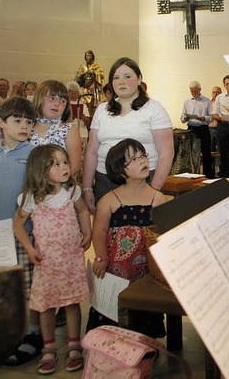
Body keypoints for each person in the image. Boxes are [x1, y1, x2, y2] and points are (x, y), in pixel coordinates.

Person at [13, 144, 91, 374]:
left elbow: (83, 211)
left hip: (70, 259)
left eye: (64, 162)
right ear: (41, 169)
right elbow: (18, 225)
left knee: (71, 303)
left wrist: (87, 232)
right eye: (56, 164)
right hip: (46, 262)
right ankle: (49, 348)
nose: (64, 167)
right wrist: (29, 249)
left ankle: (75, 345)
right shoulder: (32, 198)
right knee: (46, 305)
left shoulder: (72, 191)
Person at [87, 139, 168, 337]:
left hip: (146, 268)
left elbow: (163, 231)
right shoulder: (109, 200)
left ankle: (145, 343)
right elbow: (99, 231)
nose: (142, 161)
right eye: (133, 159)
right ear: (120, 170)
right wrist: (101, 257)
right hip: (116, 269)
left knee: (145, 305)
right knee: (115, 305)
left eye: (143, 156)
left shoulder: (157, 198)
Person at [0, 97, 39, 366]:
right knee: (8, 287)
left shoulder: (35, 154)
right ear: (1, 123)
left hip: (27, 231)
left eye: (28, 121)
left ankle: (33, 334)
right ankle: (11, 334)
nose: (24, 126)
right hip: (0, 231)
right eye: (17, 121)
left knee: (30, 287)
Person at [82, 57, 174, 213]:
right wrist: (87, 188)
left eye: (127, 76)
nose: (121, 82)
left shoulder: (154, 109)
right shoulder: (102, 110)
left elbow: (166, 153)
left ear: (139, 79)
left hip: (143, 181)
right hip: (105, 180)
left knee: (142, 233)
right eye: (116, 78)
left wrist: (153, 190)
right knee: (107, 230)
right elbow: (91, 151)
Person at [30, 80, 83, 177]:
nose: (57, 104)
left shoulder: (68, 130)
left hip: (59, 187)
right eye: (51, 98)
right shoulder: (28, 128)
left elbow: (74, 167)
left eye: (62, 101)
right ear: (39, 99)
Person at [180, 80, 214, 178]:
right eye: (192, 92)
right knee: (192, 153)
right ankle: (192, 174)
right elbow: (182, 118)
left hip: (203, 128)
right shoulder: (187, 101)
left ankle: (208, 176)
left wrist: (204, 118)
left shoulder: (206, 101)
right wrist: (185, 118)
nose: (194, 93)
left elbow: (211, 117)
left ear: (200, 89)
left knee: (206, 152)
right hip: (191, 128)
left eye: (195, 91)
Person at [209, 85, 221, 154]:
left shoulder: (222, 103)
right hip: (210, 129)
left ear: (221, 93)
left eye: (217, 92)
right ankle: (212, 165)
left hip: (219, 128)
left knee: (220, 150)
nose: (215, 94)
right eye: (214, 92)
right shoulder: (208, 103)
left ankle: (220, 165)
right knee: (210, 150)